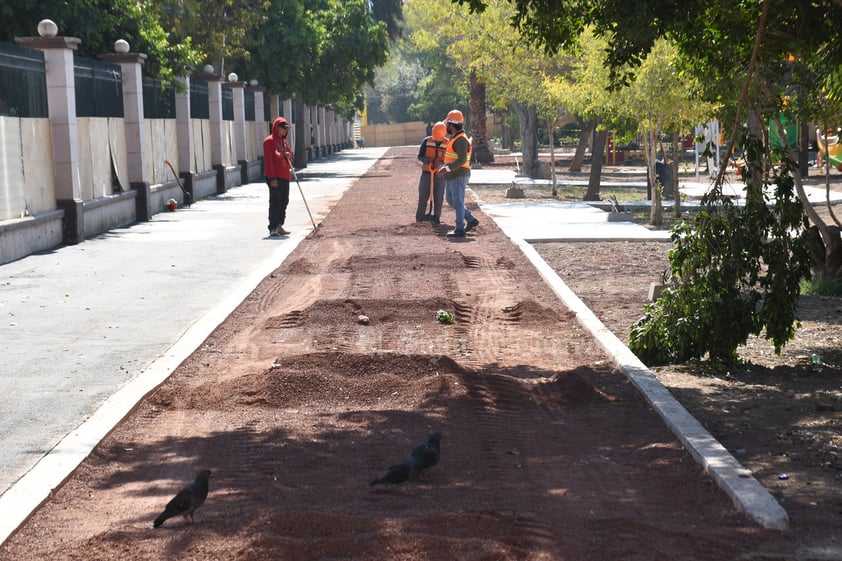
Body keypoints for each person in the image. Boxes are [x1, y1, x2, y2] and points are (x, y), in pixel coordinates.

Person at [437, 109, 479, 237]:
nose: (446, 127)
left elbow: (461, 160)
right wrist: (445, 167)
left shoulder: (460, 139)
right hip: (453, 174)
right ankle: (470, 219)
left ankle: (459, 229)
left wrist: (447, 168)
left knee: (458, 201)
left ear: (452, 124)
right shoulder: (455, 138)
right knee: (451, 199)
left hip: (459, 174)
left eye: (447, 124)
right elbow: (453, 157)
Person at [263, 116, 293, 236]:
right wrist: (272, 178)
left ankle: (280, 224)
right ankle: (273, 227)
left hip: (285, 175)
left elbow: (290, 156)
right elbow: (269, 161)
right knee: (275, 201)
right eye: (283, 128)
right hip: (275, 176)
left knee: (284, 201)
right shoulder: (269, 141)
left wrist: (288, 156)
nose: (285, 130)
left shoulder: (284, 142)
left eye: (286, 128)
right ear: (277, 128)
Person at [416, 122, 448, 224]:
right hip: (427, 172)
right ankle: (420, 218)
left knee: (438, 196)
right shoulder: (426, 141)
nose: (437, 139)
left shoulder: (448, 143)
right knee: (423, 195)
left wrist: (442, 163)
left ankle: (436, 218)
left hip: (440, 174)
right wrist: (425, 160)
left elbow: (449, 159)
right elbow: (420, 155)